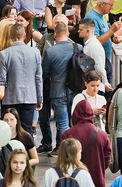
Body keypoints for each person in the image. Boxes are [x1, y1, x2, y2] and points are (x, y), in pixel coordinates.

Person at [42, 23, 81, 156]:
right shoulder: (78, 47)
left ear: (55, 35)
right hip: (75, 90)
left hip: (57, 91)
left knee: (63, 122)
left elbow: (44, 73)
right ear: (68, 34)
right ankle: (75, 150)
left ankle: (67, 152)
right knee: (74, 120)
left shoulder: (50, 52)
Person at [0, 23, 42, 132]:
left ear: (11, 36)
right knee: (26, 130)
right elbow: (38, 77)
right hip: (30, 96)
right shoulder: (35, 52)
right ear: (24, 35)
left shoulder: (4, 54)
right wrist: (39, 98)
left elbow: (2, 79)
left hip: (10, 98)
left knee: (10, 130)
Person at [62, 100, 111, 187]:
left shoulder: (67, 134)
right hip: (96, 179)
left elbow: (62, 159)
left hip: (72, 180)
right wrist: (99, 167)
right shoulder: (102, 135)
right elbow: (107, 159)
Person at [85, 0, 122, 87]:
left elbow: (105, 34)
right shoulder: (92, 18)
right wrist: (112, 30)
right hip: (98, 64)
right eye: (111, 5)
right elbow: (95, 42)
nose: (113, 7)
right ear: (102, 4)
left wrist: (113, 39)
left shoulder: (102, 16)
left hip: (106, 60)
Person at [78, 19, 110, 93]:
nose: (78, 31)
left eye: (81, 29)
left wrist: (105, 82)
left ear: (88, 31)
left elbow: (99, 66)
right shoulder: (91, 44)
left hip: (96, 88)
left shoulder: (93, 46)